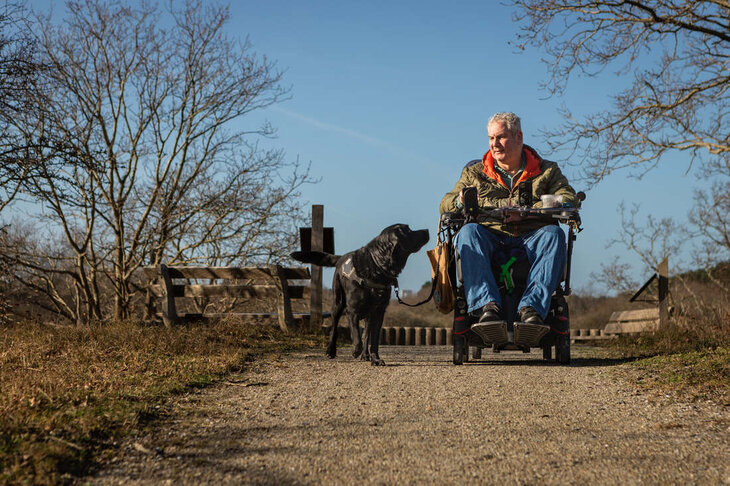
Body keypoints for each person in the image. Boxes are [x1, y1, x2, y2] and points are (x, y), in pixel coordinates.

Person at [439, 112, 578, 345]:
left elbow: (567, 197)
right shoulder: (475, 173)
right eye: (491, 138)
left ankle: (531, 309)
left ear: (518, 136)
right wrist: (460, 200)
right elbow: (446, 202)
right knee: (467, 233)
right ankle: (487, 308)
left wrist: (528, 211)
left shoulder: (547, 170)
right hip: (490, 235)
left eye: (500, 137)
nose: (494, 144)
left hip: (532, 234)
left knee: (555, 234)